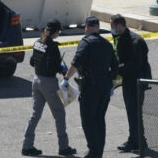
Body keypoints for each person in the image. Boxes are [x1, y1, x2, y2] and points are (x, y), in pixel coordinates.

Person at [62, 16, 118, 158]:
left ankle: (93, 151)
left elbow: (76, 63)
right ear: (98, 28)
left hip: (90, 86)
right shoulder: (106, 43)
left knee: (87, 119)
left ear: (86, 27)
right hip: (104, 85)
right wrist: (110, 80)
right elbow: (115, 65)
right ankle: (98, 151)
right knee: (99, 118)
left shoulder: (86, 43)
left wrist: (66, 78)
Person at [22, 19, 77, 156]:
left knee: (35, 115)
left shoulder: (38, 42)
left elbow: (32, 62)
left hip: (36, 80)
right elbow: (54, 67)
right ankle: (63, 147)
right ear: (56, 31)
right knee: (59, 114)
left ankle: (27, 146)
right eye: (59, 31)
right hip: (49, 83)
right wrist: (62, 69)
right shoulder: (52, 46)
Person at [110, 14, 150, 152]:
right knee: (131, 111)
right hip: (129, 80)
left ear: (120, 25)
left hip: (137, 82)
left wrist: (117, 69)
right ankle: (134, 140)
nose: (111, 29)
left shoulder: (135, 41)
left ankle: (140, 142)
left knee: (135, 112)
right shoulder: (121, 38)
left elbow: (136, 65)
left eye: (113, 26)